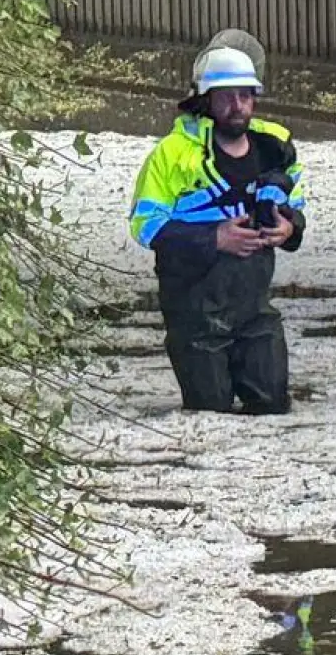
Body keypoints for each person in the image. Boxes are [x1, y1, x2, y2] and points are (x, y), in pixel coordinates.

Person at [127, 30, 308, 414]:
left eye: (245, 96)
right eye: (226, 97)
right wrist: (214, 239)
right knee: (210, 411)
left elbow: (296, 204)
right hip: (196, 316)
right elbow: (146, 226)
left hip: (254, 311)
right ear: (206, 100)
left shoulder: (274, 149)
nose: (237, 105)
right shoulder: (172, 155)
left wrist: (290, 227)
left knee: (273, 406)